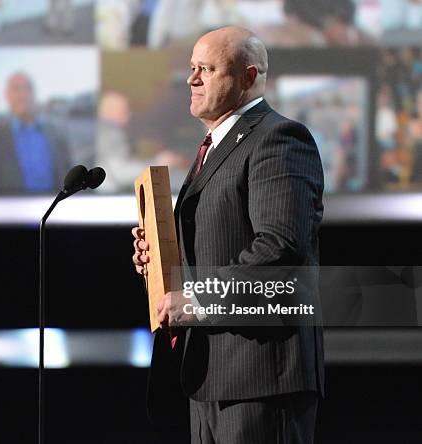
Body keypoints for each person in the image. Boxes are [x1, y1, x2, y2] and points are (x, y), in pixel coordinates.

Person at [132, 27, 324, 443]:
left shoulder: (279, 138)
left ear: (248, 78)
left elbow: (279, 249)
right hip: (207, 378)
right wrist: (165, 264)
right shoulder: (216, 147)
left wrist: (197, 301)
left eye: (207, 68)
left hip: (260, 379)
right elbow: (219, 245)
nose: (192, 79)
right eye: (191, 67)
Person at [0, 72, 71, 193]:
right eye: (17, 89)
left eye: (28, 88)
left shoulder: (57, 135)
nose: (23, 95)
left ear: (34, 93)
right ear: (7, 96)